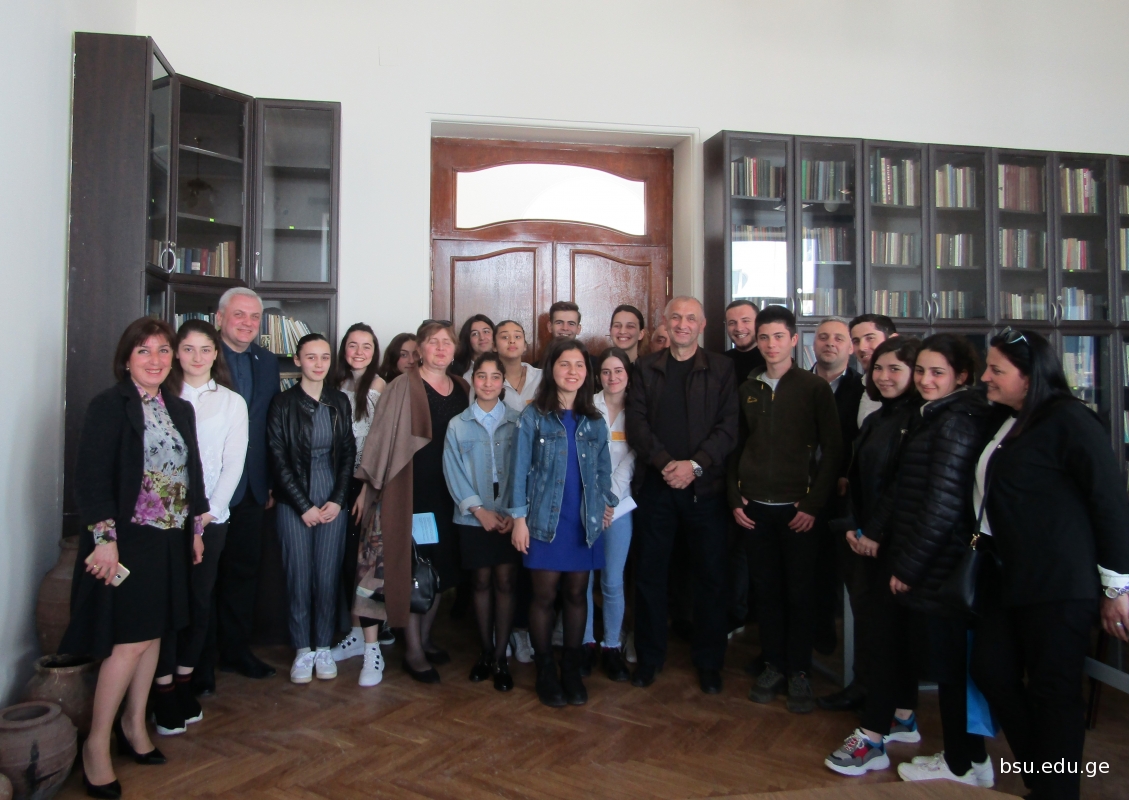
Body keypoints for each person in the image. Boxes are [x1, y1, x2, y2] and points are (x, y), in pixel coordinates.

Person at [969, 329, 1129, 800]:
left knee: (1053, 692)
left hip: (1059, 583)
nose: (985, 377)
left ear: (1029, 375)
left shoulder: (1070, 420)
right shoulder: (1005, 418)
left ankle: (1056, 792)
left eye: (996, 370)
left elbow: (1109, 503)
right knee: (992, 672)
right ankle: (1044, 779)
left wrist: (1117, 588)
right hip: (1004, 575)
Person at [60, 317, 208, 798]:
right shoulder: (109, 406)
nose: (155, 360)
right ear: (127, 359)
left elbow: (192, 473)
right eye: (144, 351)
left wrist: (196, 529)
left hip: (170, 540)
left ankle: (133, 724)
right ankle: (96, 745)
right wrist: (104, 540)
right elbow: (90, 479)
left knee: (156, 634)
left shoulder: (178, 408)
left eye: (163, 350)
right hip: (128, 541)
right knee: (128, 642)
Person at [883, 333, 998, 786]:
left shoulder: (954, 422)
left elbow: (942, 505)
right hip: (937, 559)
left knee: (953, 669)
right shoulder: (937, 414)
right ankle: (968, 758)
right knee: (951, 667)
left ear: (962, 376)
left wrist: (908, 567)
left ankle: (961, 763)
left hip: (942, 563)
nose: (925, 380)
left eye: (937, 373)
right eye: (921, 371)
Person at [730, 305, 841, 714]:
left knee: (800, 592)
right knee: (767, 591)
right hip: (756, 509)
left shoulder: (814, 388)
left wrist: (813, 503)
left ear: (794, 340)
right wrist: (734, 497)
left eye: (778, 337)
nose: (771, 344)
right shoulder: (749, 387)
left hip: (799, 510)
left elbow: (833, 451)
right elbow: (735, 447)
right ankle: (773, 665)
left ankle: (800, 671)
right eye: (764, 337)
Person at [824, 336, 925, 776]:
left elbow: (903, 486)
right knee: (883, 633)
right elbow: (856, 478)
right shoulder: (879, 417)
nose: (883, 376)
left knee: (888, 639)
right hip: (867, 539)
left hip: (897, 544)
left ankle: (873, 736)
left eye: (895, 369)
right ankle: (901, 715)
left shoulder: (920, 421)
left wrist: (873, 532)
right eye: (878, 368)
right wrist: (852, 525)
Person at [626, 296, 737, 694]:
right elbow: (636, 424)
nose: (683, 324)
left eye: (691, 318)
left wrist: (695, 466)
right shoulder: (645, 367)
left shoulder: (722, 368)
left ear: (702, 325)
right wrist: (666, 464)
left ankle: (709, 662)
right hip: (656, 489)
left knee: (710, 578)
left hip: (705, 490)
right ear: (665, 322)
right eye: (676, 317)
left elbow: (729, 428)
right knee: (649, 575)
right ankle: (649, 657)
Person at [353, 321, 469, 683]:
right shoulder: (402, 386)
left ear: (455, 349)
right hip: (413, 492)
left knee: (443, 569)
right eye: (433, 342)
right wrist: (368, 488)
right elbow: (379, 440)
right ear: (420, 349)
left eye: (446, 342)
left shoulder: (463, 387)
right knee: (417, 570)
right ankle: (413, 650)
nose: (440, 348)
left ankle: (426, 638)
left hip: (451, 493)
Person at [151, 321, 248, 736]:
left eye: (205, 349)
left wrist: (208, 513)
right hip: (163, 521)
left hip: (211, 520)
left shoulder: (231, 402)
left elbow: (233, 464)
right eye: (188, 349)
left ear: (215, 353)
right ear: (176, 353)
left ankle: (185, 680)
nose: (196, 357)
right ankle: (162, 688)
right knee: (165, 604)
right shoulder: (160, 395)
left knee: (198, 601)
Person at [510, 338, 617, 707]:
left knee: (576, 594)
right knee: (543, 596)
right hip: (543, 520)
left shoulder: (594, 420)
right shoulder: (533, 416)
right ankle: (544, 670)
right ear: (551, 369)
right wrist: (518, 519)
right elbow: (519, 470)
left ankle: (570, 669)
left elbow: (603, 471)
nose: (573, 372)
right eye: (564, 364)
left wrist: (605, 503)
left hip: (582, 522)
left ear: (587, 373)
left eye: (579, 365)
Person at [267, 334, 356, 684]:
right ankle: (303, 649)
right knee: (299, 577)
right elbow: (277, 459)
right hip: (294, 502)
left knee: (327, 576)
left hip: (332, 496)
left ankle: (323, 647)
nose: (318, 364)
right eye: (311, 357)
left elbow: (347, 453)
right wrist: (303, 505)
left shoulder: (339, 401)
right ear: (298, 360)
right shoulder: (282, 403)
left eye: (324, 357)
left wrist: (338, 498)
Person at [203, 287, 280, 690]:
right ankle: (199, 662)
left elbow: (269, 424)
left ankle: (235, 651)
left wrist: (270, 481)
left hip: (251, 486)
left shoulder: (267, 362)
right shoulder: (202, 356)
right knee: (203, 578)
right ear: (219, 318)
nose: (247, 323)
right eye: (239, 315)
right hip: (209, 488)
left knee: (242, 573)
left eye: (254, 317)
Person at [821, 313, 897, 713]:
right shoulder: (872, 393)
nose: (864, 348)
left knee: (887, 618)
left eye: (871, 339)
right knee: (866, 611)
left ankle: (891, 704)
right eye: (859, 340)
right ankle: (866, 686)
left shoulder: (909, 406)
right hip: (862, 518)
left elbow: (901, 478)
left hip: (891, 528)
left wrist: (874, 528)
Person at [442, 352, 522, 691]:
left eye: (495, 377)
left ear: (503, 383)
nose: (488, 383)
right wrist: (479, 511)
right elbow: (453, 472)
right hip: (474, 517)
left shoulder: (519, 421)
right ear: (473, 381)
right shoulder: (458, 424)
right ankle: (486, 651)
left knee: (505, 582)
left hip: (509, 515)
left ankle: (502, 656)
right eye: (481, 376)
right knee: (480, 582)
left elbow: (525, 468)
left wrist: (512, 513)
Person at [330, 323, 391, 687]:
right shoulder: (333, 385)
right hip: (335, 485)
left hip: (368, 485)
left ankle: (373, 647)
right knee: (345, 562)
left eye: (366, 346)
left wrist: (368, 487)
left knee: (366, 565)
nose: (358, 352)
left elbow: (381, 444)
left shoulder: (381, 387)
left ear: (374, 351)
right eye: (352, 345)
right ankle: (354, 635)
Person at [809, 318, 864, 658]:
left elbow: (862, 442)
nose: (830, 343)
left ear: (851, 347)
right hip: (799, 489)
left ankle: (827, 634)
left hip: (841, 494)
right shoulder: (797, 383)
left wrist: (845, 472)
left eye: (839, 338)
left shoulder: (864, 389)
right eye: (823, 337)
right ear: (812, 343)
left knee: (831, 569)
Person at [582, 347, 637, 681]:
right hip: (587, 504)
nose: (612, 377)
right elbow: (584, 455)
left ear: (628, 374)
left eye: (618, 371)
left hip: (620, 506)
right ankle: (587, 642)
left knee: (613, 581)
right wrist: (597, 498)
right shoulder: (587, 407)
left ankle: (611, 645)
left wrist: (610, 498)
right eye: (605, 371)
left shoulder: (638, 409)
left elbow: (633, 456)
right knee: (583, 580)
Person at [493, 318, 542, 663]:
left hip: (538, 476)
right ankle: (502, 629)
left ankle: (523, 630)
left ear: (525, 344)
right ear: (495, 344)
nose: (511, 341)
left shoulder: (542, 377)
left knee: (530, 563)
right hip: (498, 476)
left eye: (517, 336)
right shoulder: (484, 377)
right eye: (504, 336)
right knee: (503, 565)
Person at [849, 314, 897, 427]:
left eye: (870, 338)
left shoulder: (914, 385)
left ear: (893, 339)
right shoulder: (859, 385)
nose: (862, 348)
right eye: (856, 341)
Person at [723, 299, 766, 384]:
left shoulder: (771, 360)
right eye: (732, 323)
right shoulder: (719, 363)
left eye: (745, 321)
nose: (739, 328)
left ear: (758, 323)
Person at [451, 314, 496, 381]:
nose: (482, 338)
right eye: (475, 334)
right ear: (467, 339)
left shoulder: (504, 364)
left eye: (486, 332)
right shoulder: (455, 369)